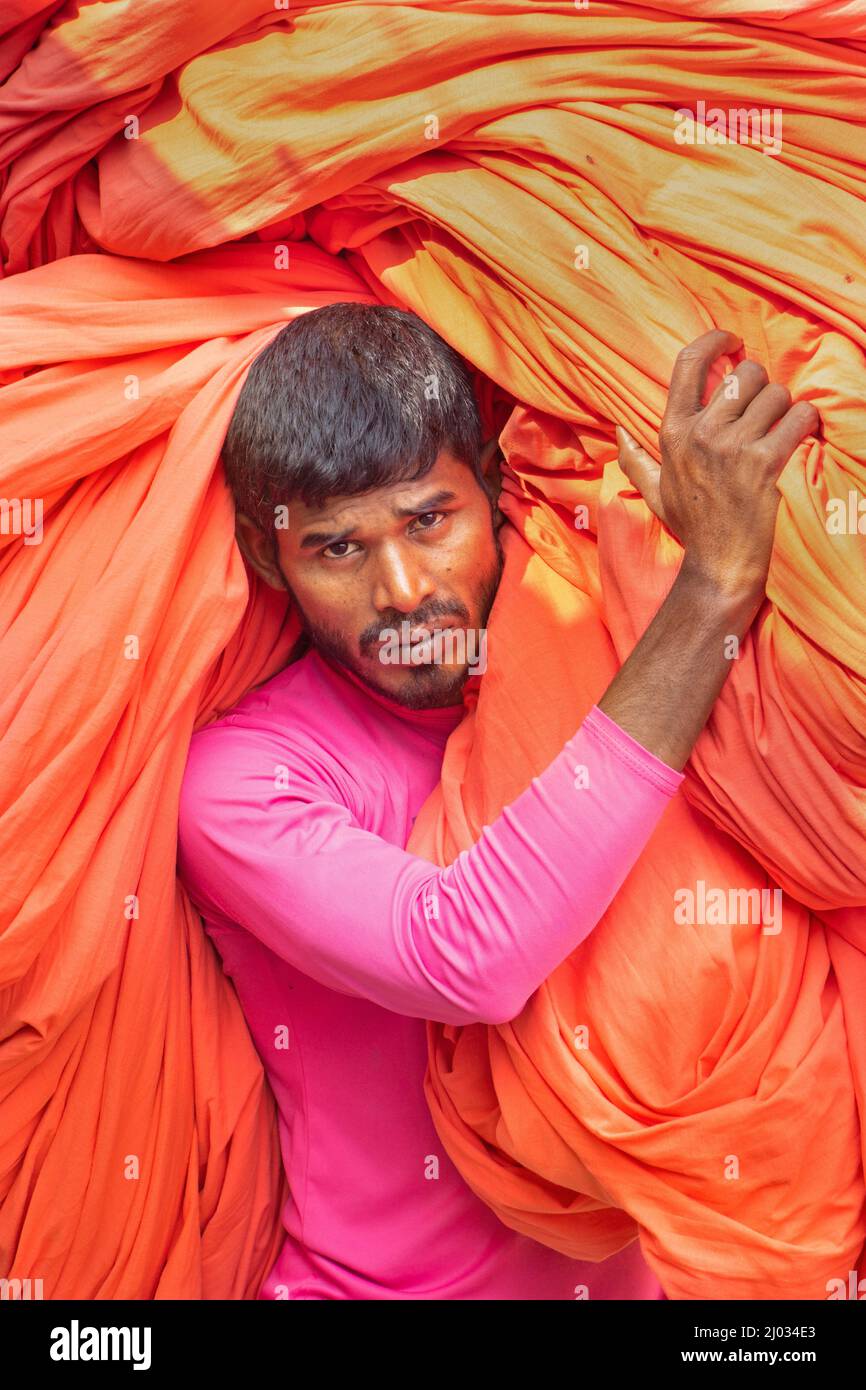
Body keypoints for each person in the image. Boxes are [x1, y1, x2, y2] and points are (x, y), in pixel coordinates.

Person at [176, 304, 819, 1300]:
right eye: (337, 550)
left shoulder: (595, 636)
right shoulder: (243, 778)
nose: (400, 588)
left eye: (428, 520)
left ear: (489, 486)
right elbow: (464, 955)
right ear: (272, 564)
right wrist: (714, 584)